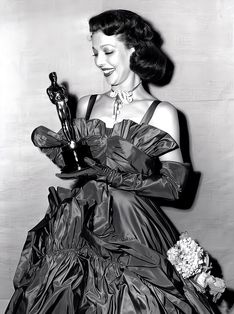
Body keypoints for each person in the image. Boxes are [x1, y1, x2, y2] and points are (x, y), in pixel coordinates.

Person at [6, 9, 218, 314]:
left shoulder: (162, 113)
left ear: (133, 50)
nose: (99, 62)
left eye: (108, 51)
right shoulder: (86, 104)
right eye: (95, 53)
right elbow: (78, 163)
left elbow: (174, 189)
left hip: (133, 226)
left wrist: (110, 174)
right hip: (80, 220)